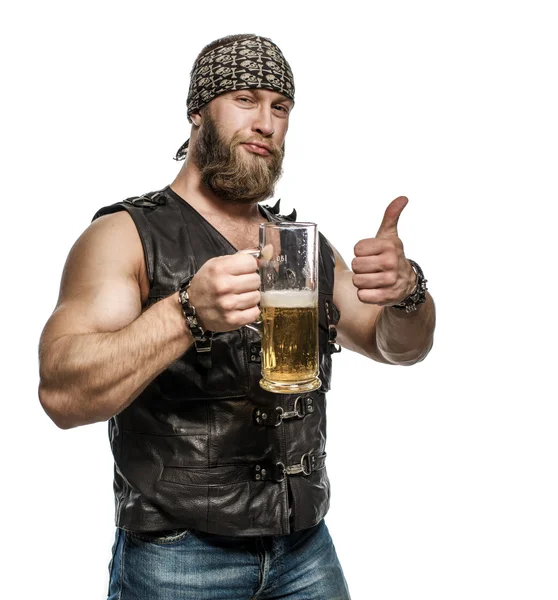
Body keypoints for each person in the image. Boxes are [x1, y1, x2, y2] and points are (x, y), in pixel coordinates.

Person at [38, 33, 436, 600]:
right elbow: (60, 393)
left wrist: (407, 292)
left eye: (281, 106)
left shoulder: (301, 247)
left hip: (305, 549)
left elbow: (398, 346)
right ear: (198, 112)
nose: (267, 122)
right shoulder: (125, 236)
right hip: (178, 557)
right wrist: (185, 314)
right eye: (246, 98)